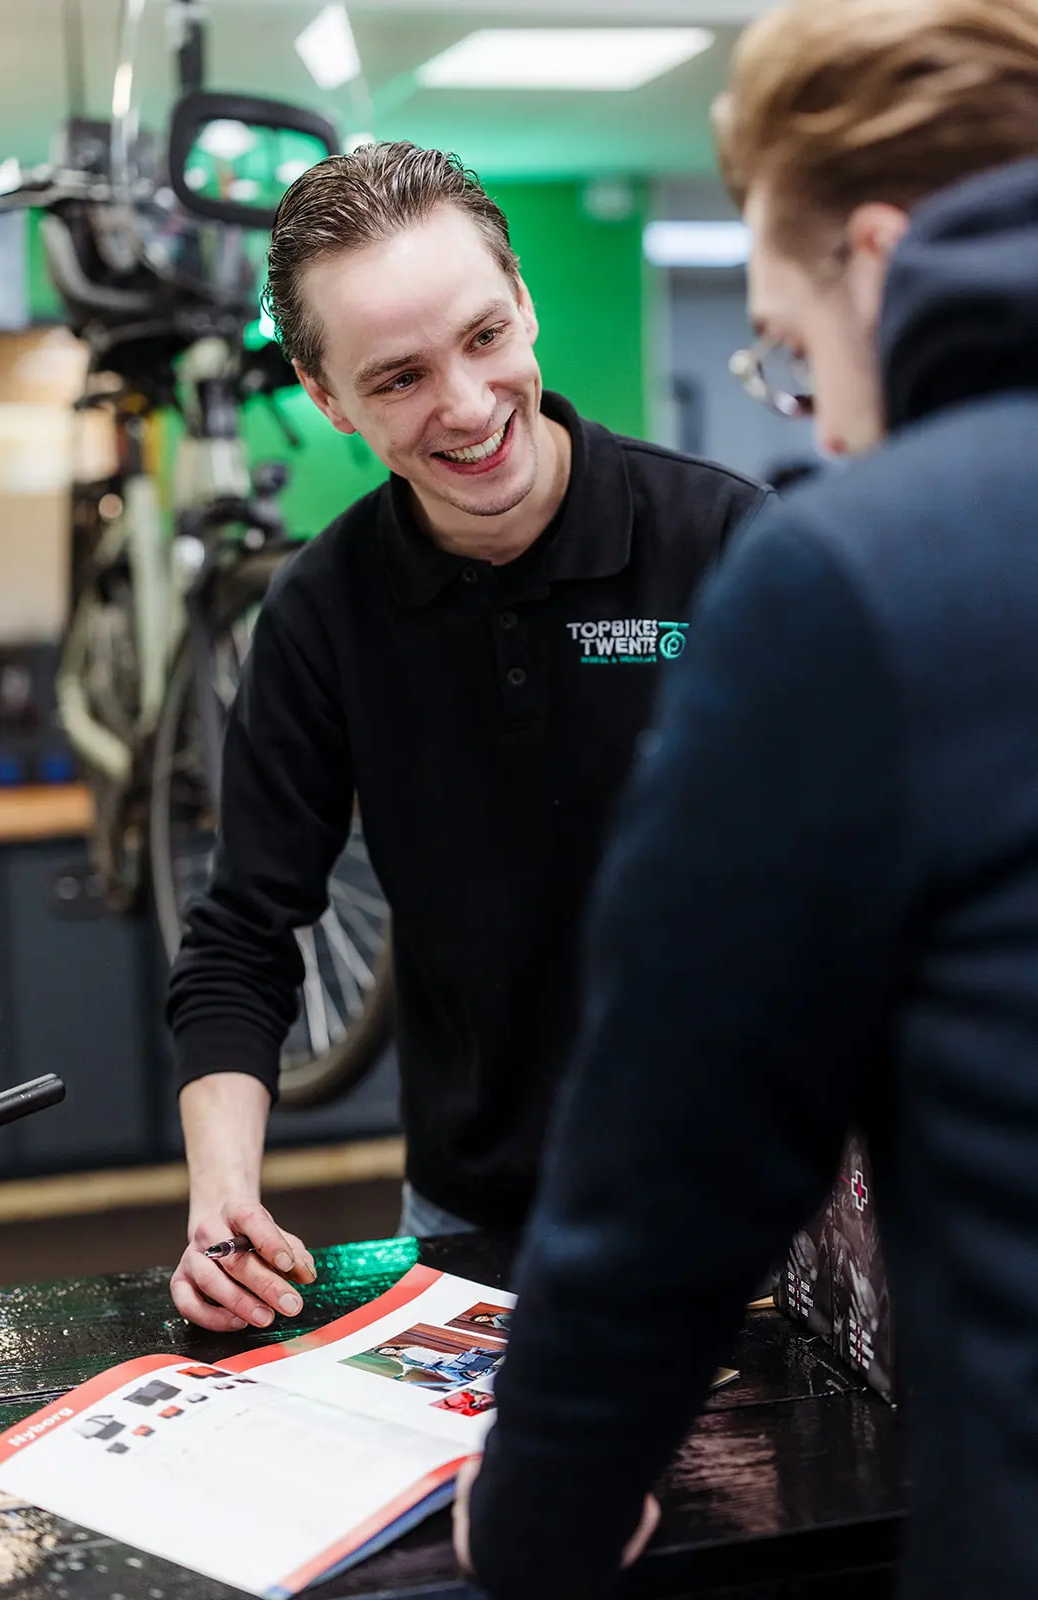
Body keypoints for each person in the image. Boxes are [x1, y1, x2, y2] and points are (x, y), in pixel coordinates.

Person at [453, 2, 1038, 1597]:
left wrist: (538, 1519)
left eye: (787, 347)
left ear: (880, 249)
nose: (830, 424)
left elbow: (678, 1161)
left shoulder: (855, 571)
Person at [165, 141, 769, 1335]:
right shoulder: (320, 613)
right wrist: (221, 1194)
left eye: (484, 337)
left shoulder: (723, 545)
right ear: (327, 397)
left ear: (524, 304)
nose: (465, 404)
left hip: (743, 1193)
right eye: (396, 378)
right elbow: (242, 934)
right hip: (471, 1211)